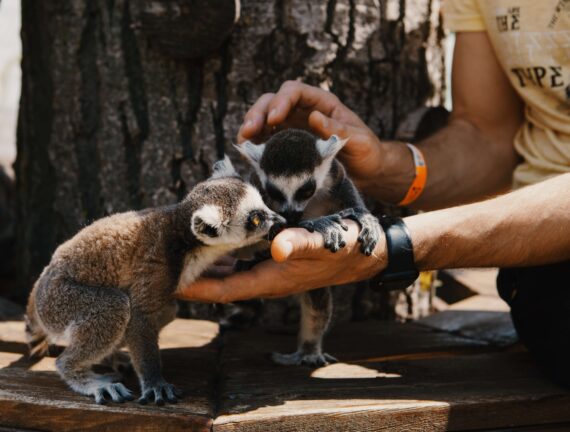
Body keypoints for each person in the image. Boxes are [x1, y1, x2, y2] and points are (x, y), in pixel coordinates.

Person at [177, 1, 570, 385]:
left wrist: (396, 246)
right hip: (535, 284)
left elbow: (378, 236)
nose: (292, 209)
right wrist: (384, 166)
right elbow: (491, 137)